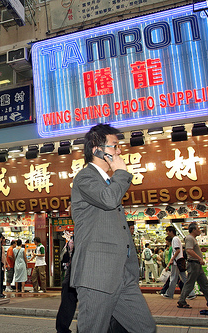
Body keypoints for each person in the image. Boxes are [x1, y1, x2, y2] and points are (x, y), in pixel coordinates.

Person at [70, 124, 156, 332]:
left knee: (145, 328)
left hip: (122, 276)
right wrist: (121, 172)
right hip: (97, 275)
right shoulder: (86, 177)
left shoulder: (107, 181)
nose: (119, 151)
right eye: (114, 146)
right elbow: (108, 200)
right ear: (96, 149)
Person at [177, 222, 208, 308]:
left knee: (204, 284)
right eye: (198, 229)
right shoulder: (190, 238)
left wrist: (200, 250)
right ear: (193, 230)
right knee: (190, 283)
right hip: (194, 264)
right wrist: (199, 258)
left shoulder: (192, 238)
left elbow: (191, 249)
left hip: (196, 265)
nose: (199, 230)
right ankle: (182, 300)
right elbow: (189, 250)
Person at [164, 225, 192, 299]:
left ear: (171, 231)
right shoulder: (177, 239)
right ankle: (191, 293)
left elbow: (177, 250)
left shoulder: (175, 239)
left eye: (167, 231)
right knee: (184, 278)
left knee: (173, 278)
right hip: (179, 261)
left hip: (176, 262)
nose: (167, 233)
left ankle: (169, 293)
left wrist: (172, 259)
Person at [56, 234, 77, 333]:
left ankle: (62, 329)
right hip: (77, 267)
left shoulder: (74, 238)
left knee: (68, 297)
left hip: (74, 268)